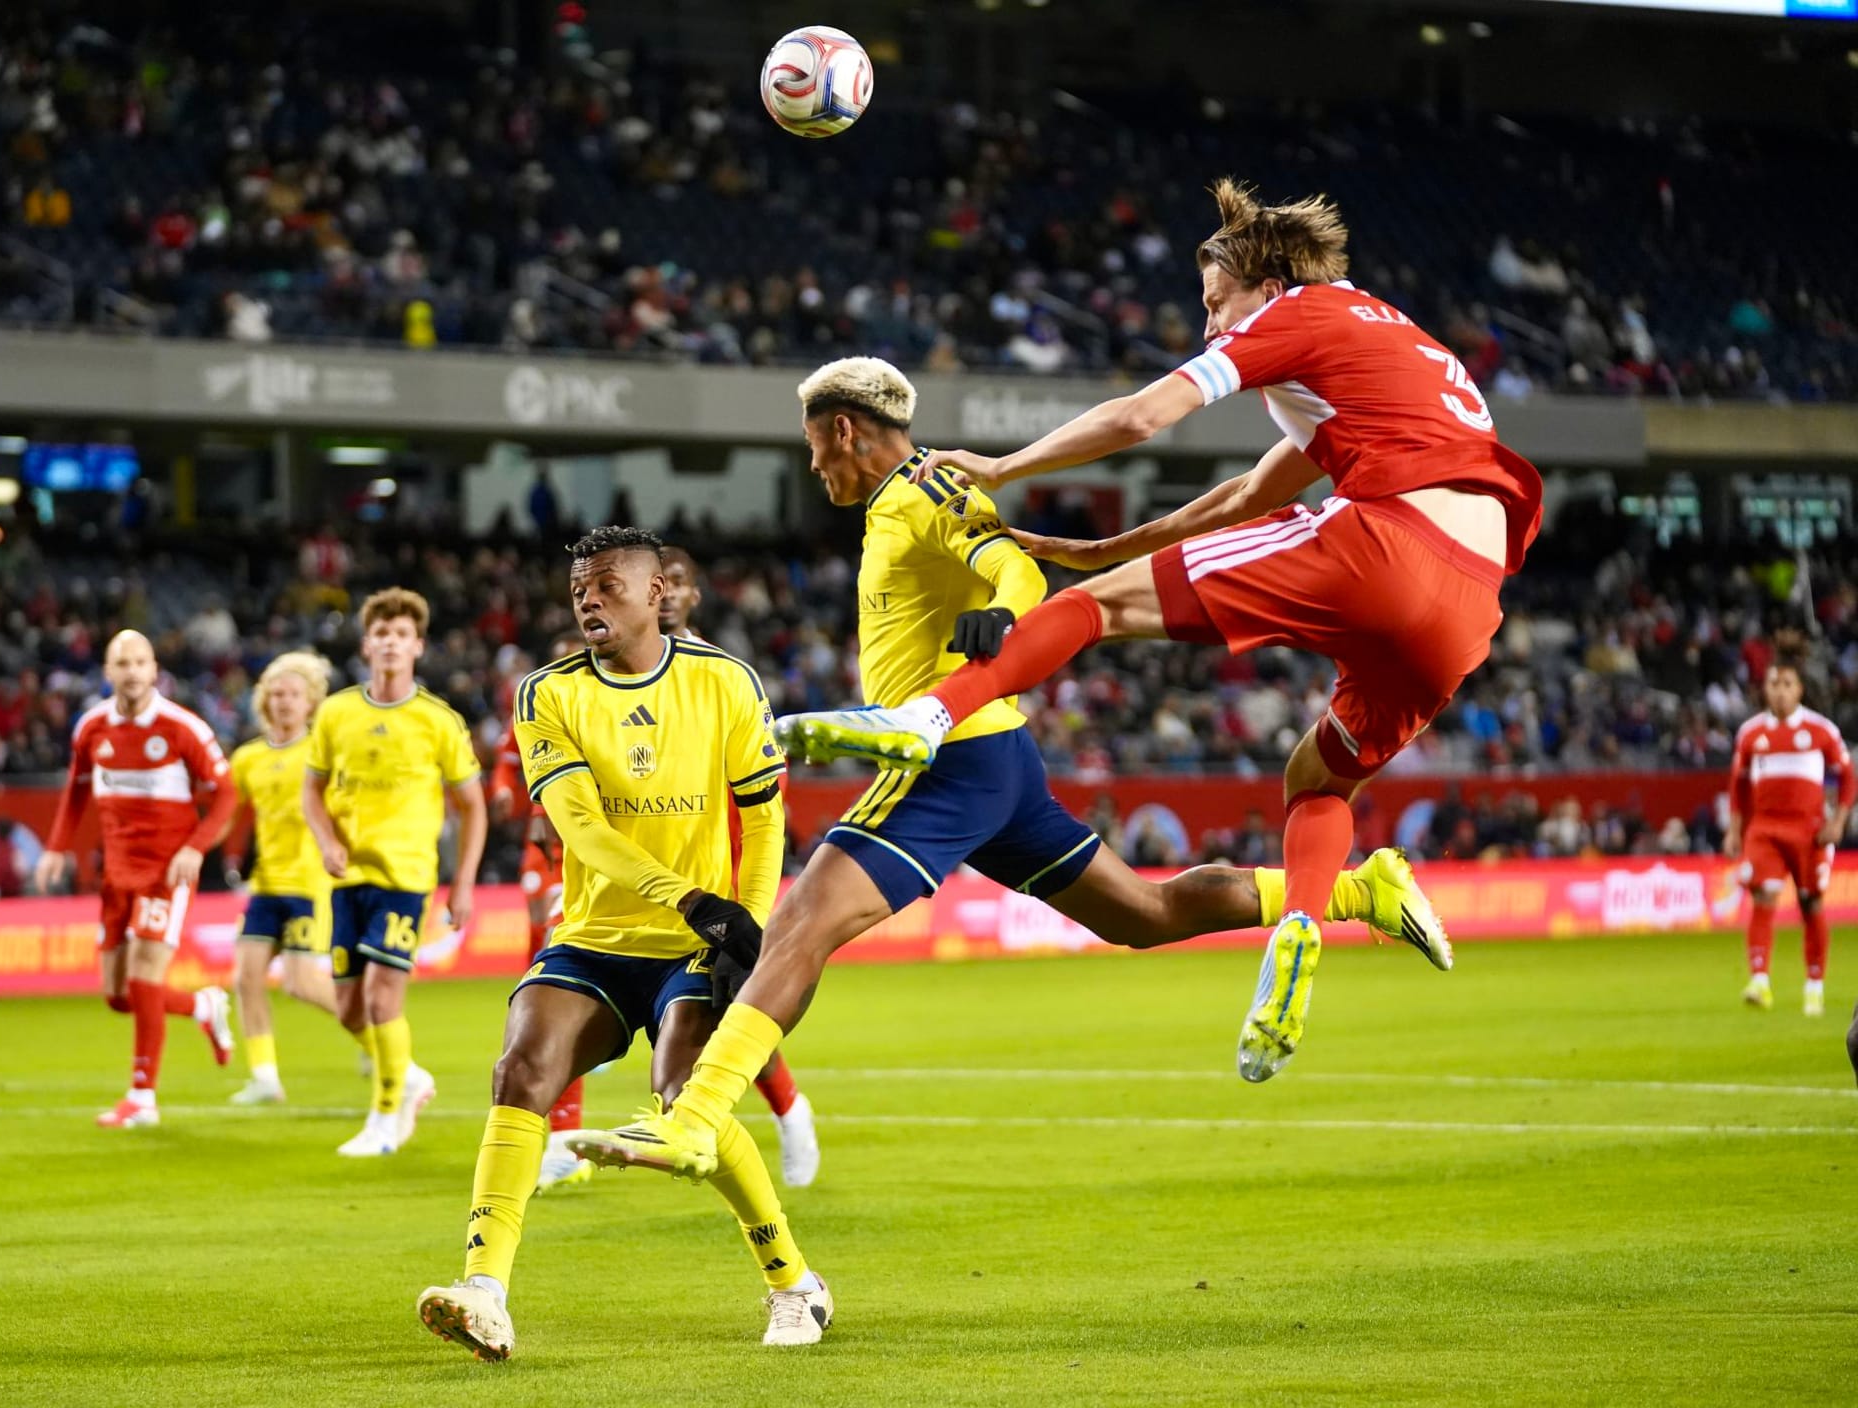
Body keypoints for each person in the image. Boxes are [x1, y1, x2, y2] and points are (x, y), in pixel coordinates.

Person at [570, 355, 1444, 1192]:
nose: (810, 464)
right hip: (1001, 763)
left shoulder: (923, 492)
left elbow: (1013, 565)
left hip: (948, 759)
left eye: (811, 444)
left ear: (844, 429)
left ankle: (696, 1117)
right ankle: (1362, 892)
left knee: (801, 924)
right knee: (1143, 914)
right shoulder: (894, 505)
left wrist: (1002, 612)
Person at [774, 181, 1539, 1080]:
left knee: (1088, 612)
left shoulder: (1299, 316)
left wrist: (1007, 465)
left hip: (1387, 540)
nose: (1213, 326)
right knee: (1316, 777)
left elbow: (1142, 417)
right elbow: (1246, 497)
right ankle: (1302, 922)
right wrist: (1103, 545)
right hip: (1467, 607)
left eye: (1217, 303)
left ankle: (928, 718)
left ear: (1266, 281)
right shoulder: (1378, 357)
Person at [416, 527, 831, 1360]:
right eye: (579, 588)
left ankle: (794, 1286)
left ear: (659, 592)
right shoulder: (545, 693)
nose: (588, 597)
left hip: (694, 945)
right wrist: (690, 897)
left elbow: (763, 813)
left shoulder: (725, 682)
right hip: (597, 936)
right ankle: (485, 1292)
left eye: (607, 583)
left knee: (685, 1102)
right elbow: (580, 826)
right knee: (520, 1069)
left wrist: (743, 928)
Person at [304, 588, 488, 1157]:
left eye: (401, 634)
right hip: (348, 878)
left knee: (385, 997)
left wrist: (462, 883)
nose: (390, 642)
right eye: (381, 633)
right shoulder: (336, 712)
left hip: (407, 877)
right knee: (349, 1007)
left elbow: (473, 805)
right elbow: (311, 789)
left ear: (417, 646)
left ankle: (386, 1116)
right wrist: (328, 840)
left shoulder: (438, 720)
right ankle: (407, 1073)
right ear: (367, 645)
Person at [661, 545, 821, 1188]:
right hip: (650, 877)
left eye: (677, 584)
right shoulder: (600, 675)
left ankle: (787, 1111)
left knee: (726, 1006)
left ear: (695, 596)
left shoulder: (725, 675)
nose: (666, 594)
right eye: (658, 583)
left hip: (721, 874)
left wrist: (747, 892)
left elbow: (762, 793)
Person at [36, 631, 239, 1128]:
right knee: (118, 994)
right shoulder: (91, 728)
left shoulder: (181, 727)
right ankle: (203, 1006)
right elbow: (76, 790)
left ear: (154, 670)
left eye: (140, 662)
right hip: (117, 872)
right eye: (121, 663)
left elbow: (228, 796)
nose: (131, 671)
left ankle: (142, 1097)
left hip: (165, 871)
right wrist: (57, 848)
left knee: (146, 976)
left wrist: (194, 849)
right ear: (108, 672)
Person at [488, 631, 593, 1194]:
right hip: (543, 852)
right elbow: (506, 765)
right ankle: (560, 1135)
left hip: (591, 855)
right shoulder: (530, 708)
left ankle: (563, 1137)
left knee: (561, 983)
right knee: (547, 975)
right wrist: (504, 790)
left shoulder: (606, 709)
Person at [225, 652, 345, 1104]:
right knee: (245, 977)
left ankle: (376, 1032)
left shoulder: (320, 753)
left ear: (311, 702)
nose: (283, 702)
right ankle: (265, 1077)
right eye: (275, 694)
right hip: (266, 884)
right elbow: (226, 814)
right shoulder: (247, 758)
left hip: (309, 884)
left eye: (293, 694)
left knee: (300, 983)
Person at [1724, 660, 1851, 1018]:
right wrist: (1734, 830)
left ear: (1799, 689)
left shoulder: (1821, 730)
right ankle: (1760, 980)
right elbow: (1738, 787)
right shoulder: (1750, 734)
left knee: (1811, 905)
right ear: (1765, 688)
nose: (1780, 690)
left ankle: (1814, 986)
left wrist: (1838, 821)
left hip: (1809, 831)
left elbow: (1848, 777)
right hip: (1764, 829)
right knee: (1763, 895)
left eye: (1787, 683)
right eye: (1774, 683)